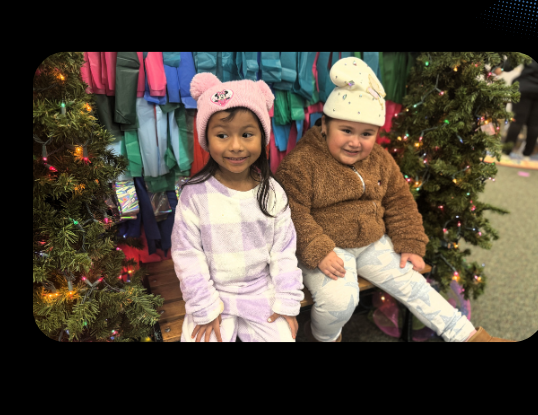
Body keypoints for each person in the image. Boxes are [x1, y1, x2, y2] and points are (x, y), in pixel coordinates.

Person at [274, 56, 514, 342]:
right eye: (346, 130)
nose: (355, 142)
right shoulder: (302, 163)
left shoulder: (379, 159)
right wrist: (317, 248)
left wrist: (409, 242)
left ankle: (467, 336)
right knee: (339, 301)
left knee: (414, 285)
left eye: (367, 134)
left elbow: (400, 200)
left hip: (372, 242)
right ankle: (328, 338)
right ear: (325, 124)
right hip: (328, 246)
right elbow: (291, 212)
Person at [171, 72, 304, 342]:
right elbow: (188, 257)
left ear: (262, 137)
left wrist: (288, 301)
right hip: (213, 291)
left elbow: (284, 253)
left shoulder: (274, 193)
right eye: (222, 134)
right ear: (207, 138)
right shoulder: (193, 195)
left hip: (260, 291)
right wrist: (205, 307)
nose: (235, 146)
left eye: (246, 134)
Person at [495, 59, 538, 161]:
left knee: (517, 121)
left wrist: (501, 68)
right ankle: (527, 155)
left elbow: (515, 58)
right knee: (535, 124)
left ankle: (506, 152)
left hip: (525, 87)